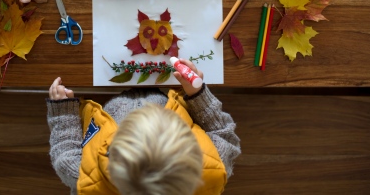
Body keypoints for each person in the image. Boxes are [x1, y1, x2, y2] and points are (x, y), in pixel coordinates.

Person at [47, 58, 241, 195]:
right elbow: (223, 133)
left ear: (111, 151)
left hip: (113, 101)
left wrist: (64, 113)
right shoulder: (214, 167)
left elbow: (65, 154)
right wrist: (198, 95)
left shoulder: (87, 179)